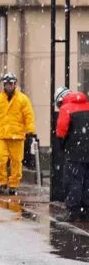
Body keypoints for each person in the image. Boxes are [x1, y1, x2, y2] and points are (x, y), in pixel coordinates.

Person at [0, 71, 36, 195]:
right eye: (6, 84)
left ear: (15, 84)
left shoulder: (23, 99)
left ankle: (13, 184)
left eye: (11, 83)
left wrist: (30, 130)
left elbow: (28, 115)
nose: (9, 86)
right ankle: (2, 182)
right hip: (2, 134)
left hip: (17, 135)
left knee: (16, 161)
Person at [55, 87, 89, 221]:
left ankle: (73, 211)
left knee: (74, 181)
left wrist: (63, 147)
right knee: (87, 181)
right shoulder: (87, 105)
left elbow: (61, 132)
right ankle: (86, 211)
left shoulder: (66, 108)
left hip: (75, 153)